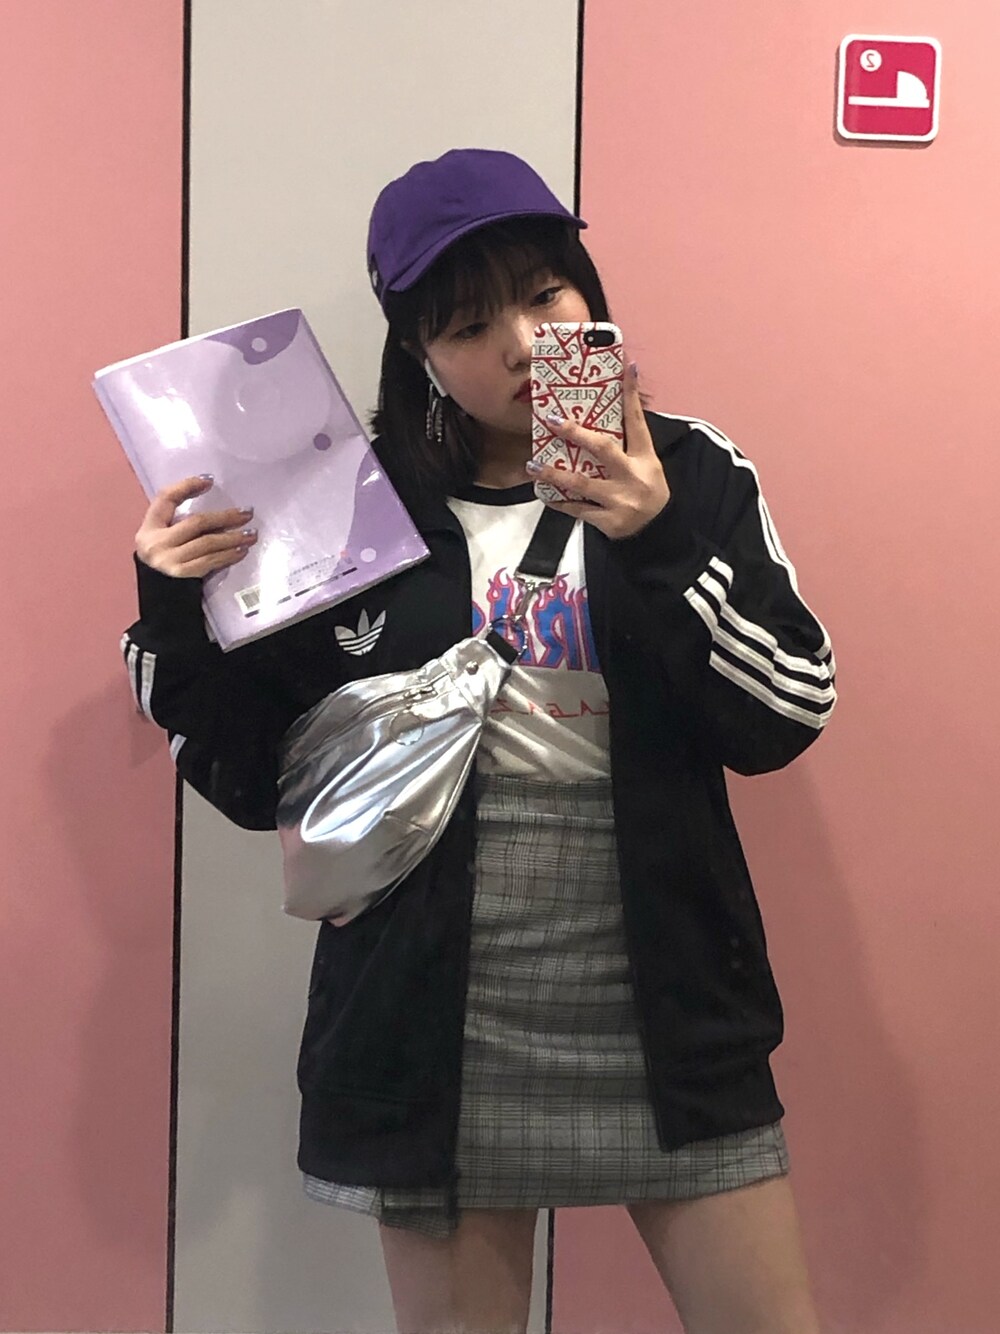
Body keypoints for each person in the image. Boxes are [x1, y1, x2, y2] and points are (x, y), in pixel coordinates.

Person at [123, 148, 836, 1334]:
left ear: (587, 291)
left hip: (670, 1003)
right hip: (429, 1017)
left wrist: (657, 539)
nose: (519, 343)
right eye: (466, 324)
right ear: (417, 351)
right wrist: (173, 605)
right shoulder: (349, 505)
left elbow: (785, 713)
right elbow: (254, 778)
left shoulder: (690, 471)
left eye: (545, 294)